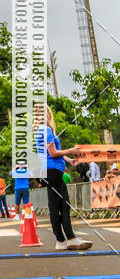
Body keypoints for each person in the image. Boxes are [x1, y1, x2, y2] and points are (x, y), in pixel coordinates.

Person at [35, 106, 92, 251]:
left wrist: (69, 159)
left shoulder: (40, 131)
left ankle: (60, 241)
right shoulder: (46, 130)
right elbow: (53, 153)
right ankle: (70, 238)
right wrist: (71, 150)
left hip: (49, 171)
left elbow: (53, 152)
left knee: (55, 206)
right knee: (64, 205)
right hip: (53, 171)